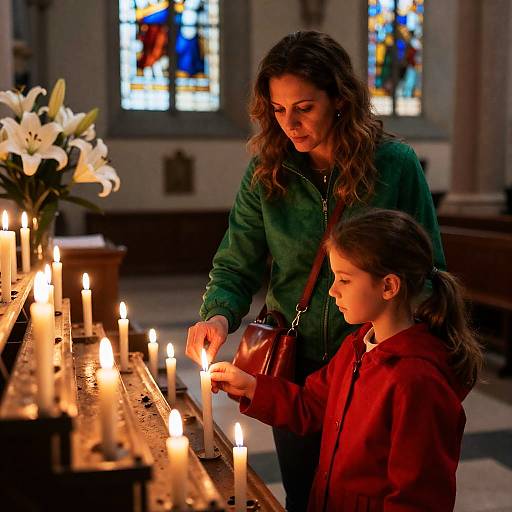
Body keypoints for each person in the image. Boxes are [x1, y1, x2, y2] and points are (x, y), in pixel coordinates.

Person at [186, 31, 445, 511]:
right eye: (278, 110)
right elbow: (235, 259)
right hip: (294, 364)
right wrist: (218, 315)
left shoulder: (395, 166)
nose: (290, 123)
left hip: (374, 363)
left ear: (339, 98)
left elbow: (430, 271)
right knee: (311, 493)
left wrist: (414, 356)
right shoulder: (268, 172)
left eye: (304, 107)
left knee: (374, 490)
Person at [209, 209, 484, 512]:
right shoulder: (358, 345)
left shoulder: (416, 381)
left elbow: (418, 498)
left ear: (389, 286)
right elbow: (311, 404)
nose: (332, 290)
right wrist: (250, 386)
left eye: (345, 279)